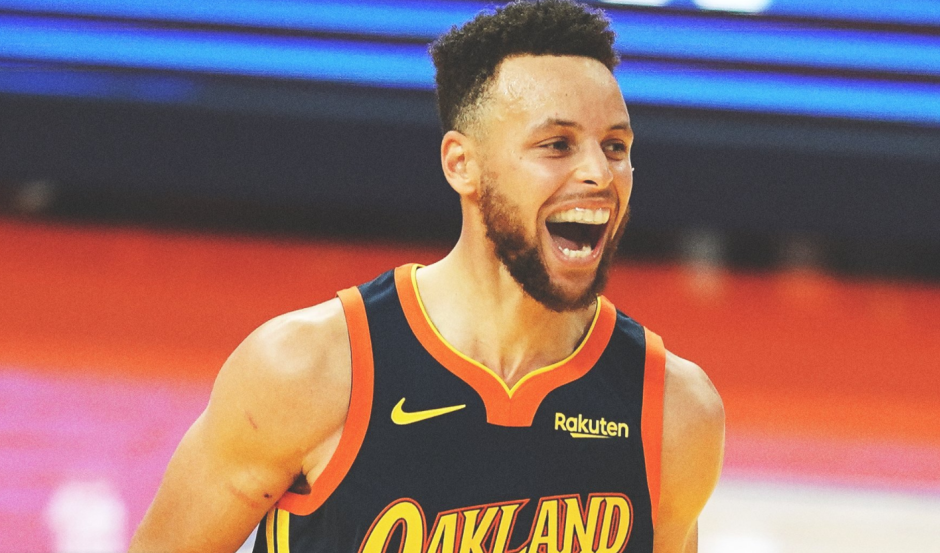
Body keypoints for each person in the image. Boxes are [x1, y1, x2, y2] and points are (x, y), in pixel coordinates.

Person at [129, 1, 724, 552]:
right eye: (556, 144)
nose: (599, 172)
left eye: (616, 146)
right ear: (462, 165)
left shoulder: (674, 412)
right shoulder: (308, 371)